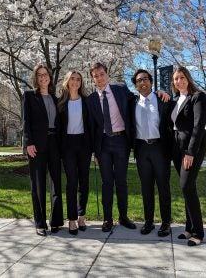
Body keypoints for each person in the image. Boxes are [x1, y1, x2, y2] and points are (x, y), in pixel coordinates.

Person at [86, 62, 136, 232]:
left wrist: (159, 93)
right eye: (95, 76)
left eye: (101, 74)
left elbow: (139, 100)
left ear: (107, 75)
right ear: (92, 79)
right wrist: (94, 151)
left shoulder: (121, 89)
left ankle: (123, 217)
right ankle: (107, 219)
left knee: (121, 181)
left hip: (122, 141)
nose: (99, 78)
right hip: (103, 145)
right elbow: (92, 128)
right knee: (107, 183)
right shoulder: (90, 100)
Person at [23, 63, 64, 236]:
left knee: (56, 182)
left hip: (54, 142)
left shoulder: (56, 98)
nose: (43, 77)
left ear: (49, 76)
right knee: (38, 183)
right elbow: (26, 122)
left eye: (45, 74)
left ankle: (55, 221)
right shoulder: (29, 96)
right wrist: (28, 143)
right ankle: (40, 223)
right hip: (37, 144)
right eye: (39, 75)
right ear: (36, 78)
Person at [171, 66, 206, 246]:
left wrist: (190, 152)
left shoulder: (198, 97)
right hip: (177, 148)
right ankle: (188, 228)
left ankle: (198, 232)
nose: (179, 81)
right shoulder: (176, 99)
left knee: (187, 186)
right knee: (187, 187)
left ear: (188, 77)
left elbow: (198, 125)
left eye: (182, 77)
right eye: (176, 79)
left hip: (192, 148)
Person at [130, 69, 172, 236]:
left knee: (163, 187)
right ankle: (149, 222)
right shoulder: (132, 102)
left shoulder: (162, 100)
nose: (142, 83)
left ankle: (166, 223)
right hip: (141, 150)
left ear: (151, 82)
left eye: (145, 79)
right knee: (146, 188)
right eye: (139, 81)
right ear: (136, 85)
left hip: (160, 148)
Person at [58, 70, 92, 235]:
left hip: (84, 144)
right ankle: (71, 220)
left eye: (78, 79)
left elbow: (92, 126)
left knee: (84, 182)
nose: (75, 82)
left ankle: (81, 216)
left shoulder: (86, 102)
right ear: (67, 81)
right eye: (72, 78)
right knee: (72, 182)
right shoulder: (61, 103)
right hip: (68, 146)